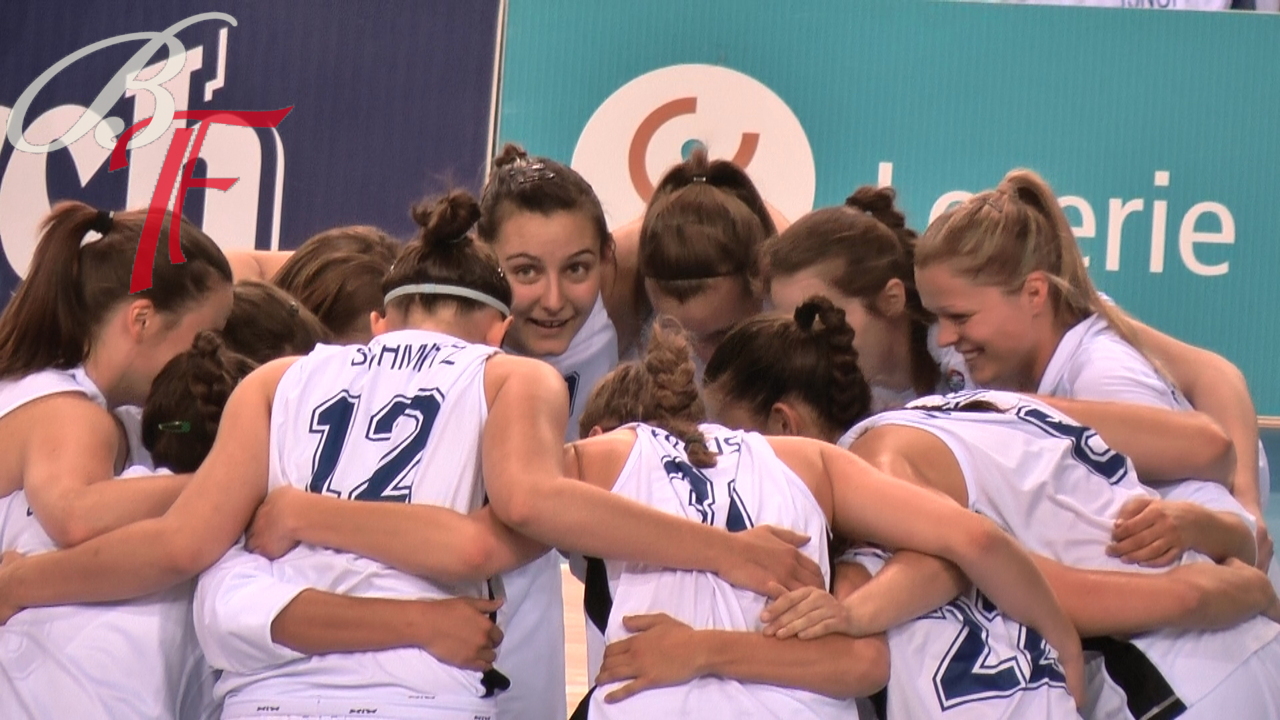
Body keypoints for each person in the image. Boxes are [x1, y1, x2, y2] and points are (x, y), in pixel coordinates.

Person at [0, 191, 823, 720]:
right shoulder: (514, 377)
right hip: (414, 690)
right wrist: (730, 552)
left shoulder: (280, 379)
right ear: (499, 327)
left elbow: (180, 544)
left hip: (270, 695)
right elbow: (531, 502)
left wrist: (24, 582)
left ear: (381, 321)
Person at [701, 298, 1280, 720]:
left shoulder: (877, 474)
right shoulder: (981, 402)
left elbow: (1006, 564)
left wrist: (1226, 591)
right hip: (1252, 643)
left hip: (1182, 676)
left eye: (732, 444)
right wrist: (1235, 544)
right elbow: (1209, 446)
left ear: (783, 425)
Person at [563, 318, 1085, 718]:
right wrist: (1067, 650)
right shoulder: (814, 463)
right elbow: (975, 540)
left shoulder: (606, 456)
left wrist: (703, 643)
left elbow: (525, 500)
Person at [913, 169, 1275, 579]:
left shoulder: (1101, 376)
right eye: (937, 317)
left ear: (1034, 294)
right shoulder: (1053, 317)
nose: (944, 337)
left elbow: (1211, 452)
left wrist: (1245, 513)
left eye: (959, 318)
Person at [0, 201, 234, 719]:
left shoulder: (40, 385)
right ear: (142, 319)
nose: (212, 356)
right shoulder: (68, 412)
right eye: (206, 337)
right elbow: (76, 515)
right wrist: (227, 481)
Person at [633, 149, 781, 363]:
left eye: (724, 334)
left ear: (762, 287)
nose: (707, 359)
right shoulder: (622, 327)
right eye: (679, 338)